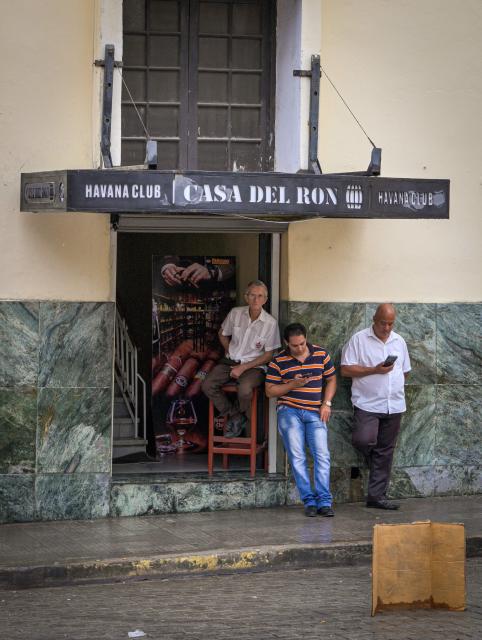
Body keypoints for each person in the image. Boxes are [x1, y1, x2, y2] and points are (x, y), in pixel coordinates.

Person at [340, 303, 411, 510]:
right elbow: (345, 369)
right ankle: (377, 462)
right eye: (383, 323)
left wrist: (393, 385)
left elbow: (405, 371)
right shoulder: (359, 339)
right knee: (363, 440)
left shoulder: (399, 341)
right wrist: (374, 371)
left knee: (386, 450)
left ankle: (376, 497)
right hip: (367, 403)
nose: (387, 328)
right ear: (374, 319)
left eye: (390, 323)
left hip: (395, 404)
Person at [265, 323, 337, 518]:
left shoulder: (321, 354)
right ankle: (309, 501)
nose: (299, 348)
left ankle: (324, 501)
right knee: (297, 457)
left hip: (315, 411)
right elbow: (270, 391)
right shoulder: (278, 361)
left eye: (302, 343)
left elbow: (331, 379)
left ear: (306, 338)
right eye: (295, 345)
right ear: (287, 343)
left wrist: (327, 403)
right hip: (289, 410)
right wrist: (292, 384)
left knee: (322, 455)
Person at [202, 280, 281, 437]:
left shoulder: (270, 323)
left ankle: (242, 421)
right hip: (230, 361)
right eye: (252, 295)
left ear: (265, 299)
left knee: (244, 389)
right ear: (246, 297)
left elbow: (268, 355)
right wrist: (230, 350)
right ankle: (236, 415)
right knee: (207, 385)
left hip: (254, 366)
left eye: (260, 296)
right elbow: (222, 334)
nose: (256, 300)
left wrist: (243, 367)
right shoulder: (235, 313)